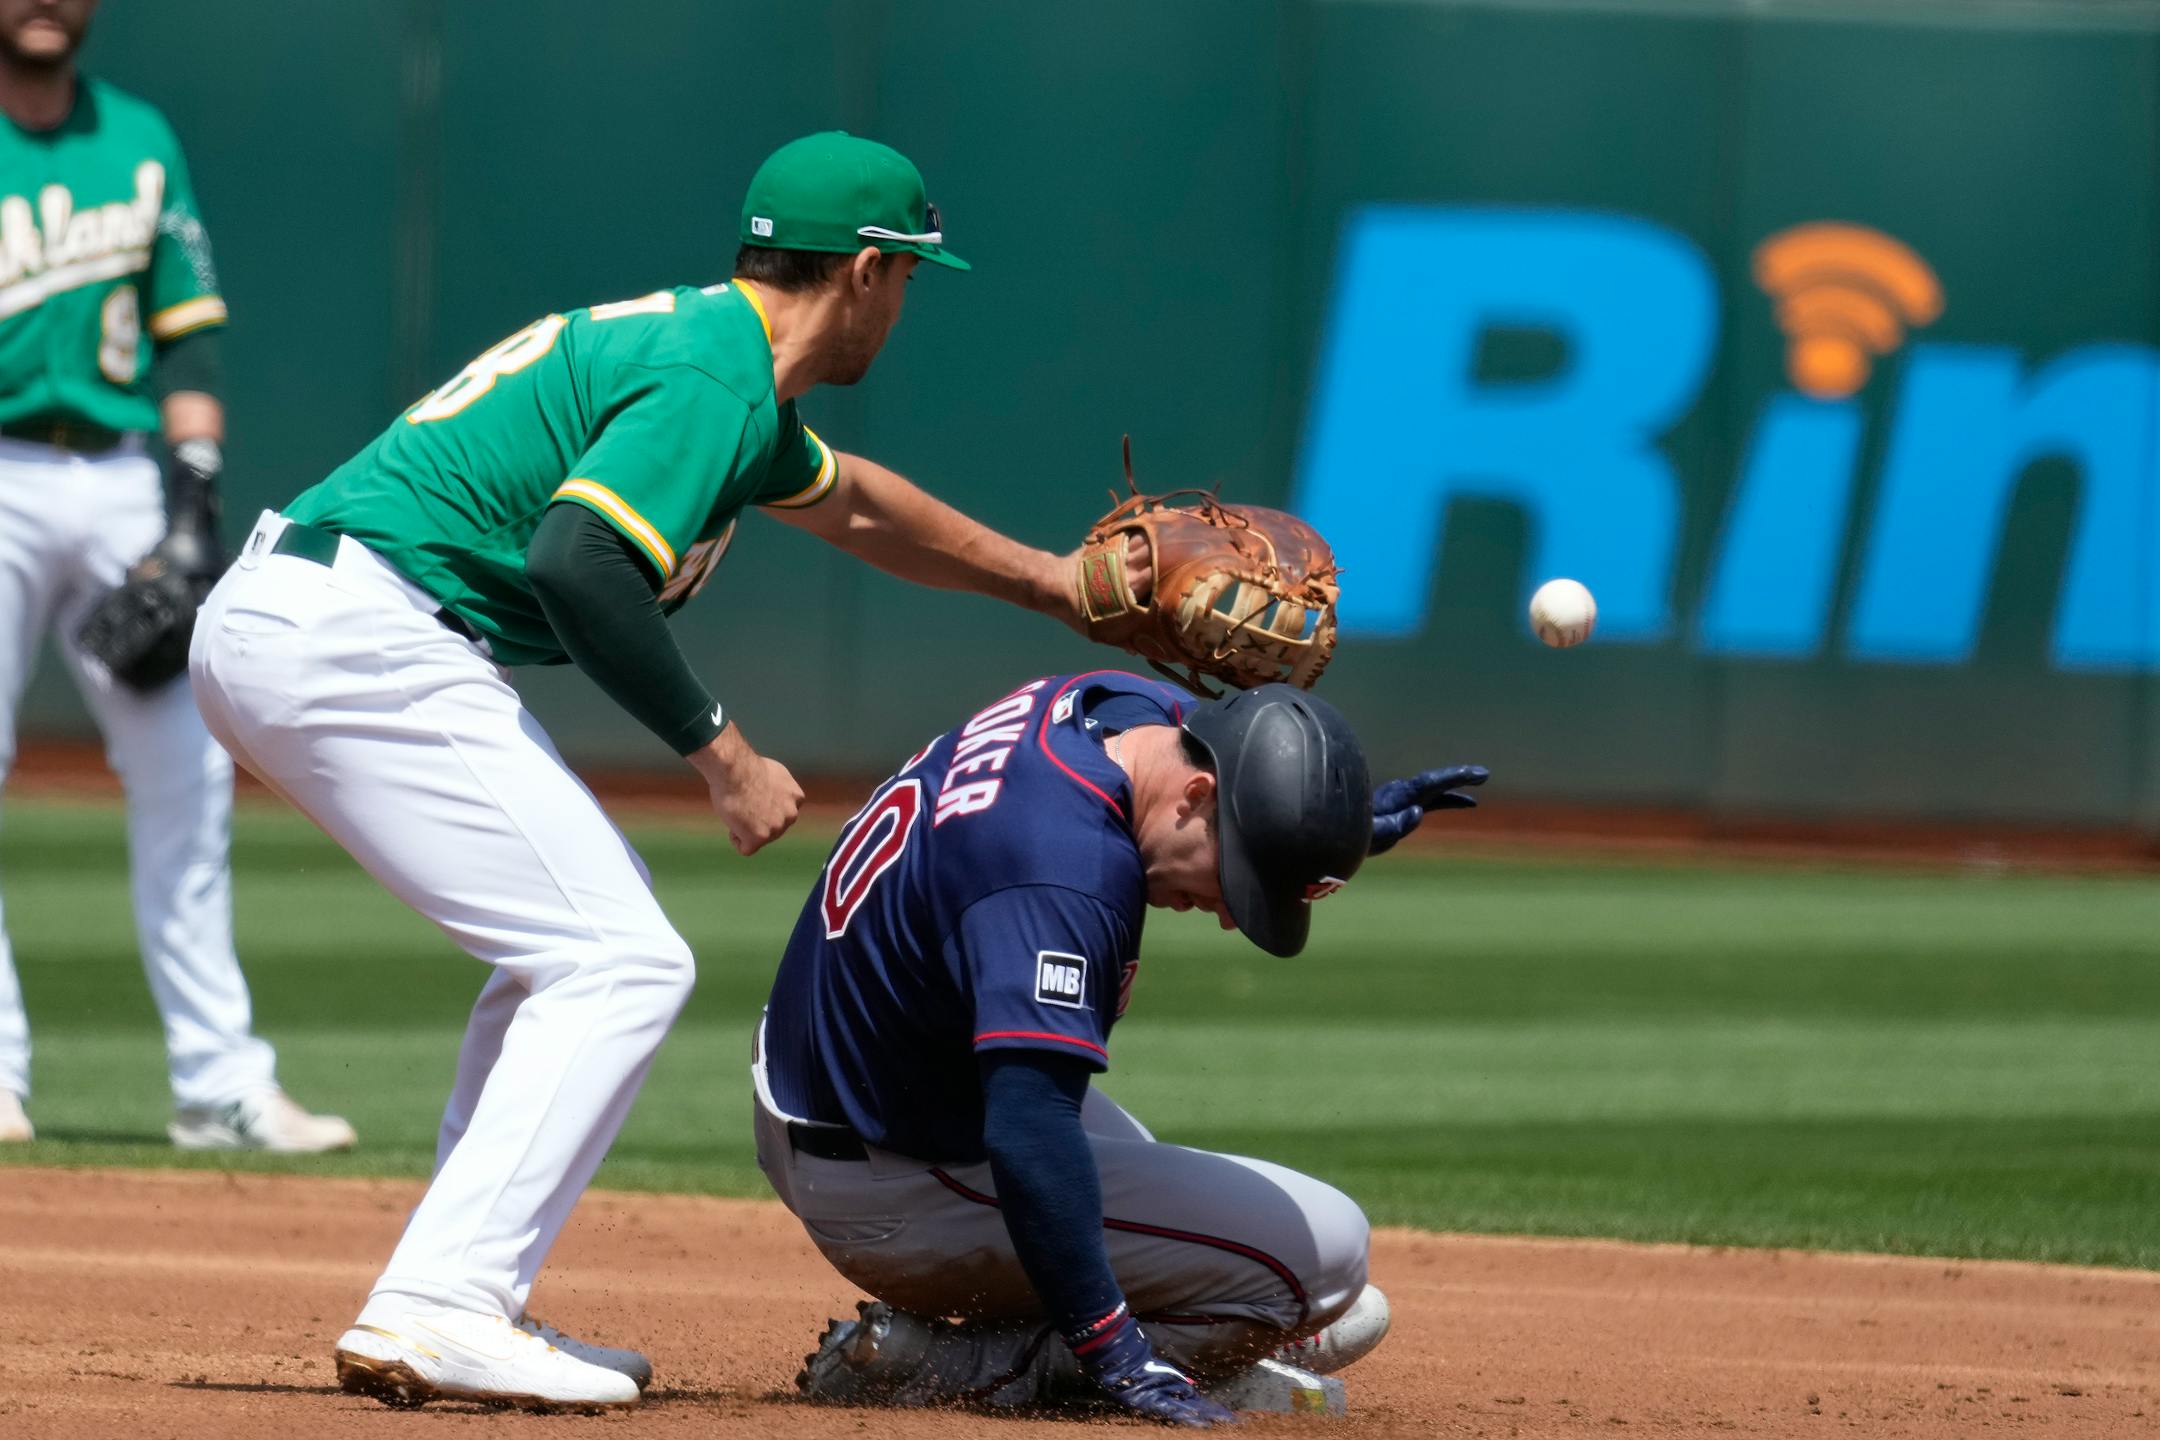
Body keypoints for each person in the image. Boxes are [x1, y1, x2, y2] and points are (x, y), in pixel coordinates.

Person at [189, 131, 1153, 1412]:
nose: (908, 301)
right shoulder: (716, 377)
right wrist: (727, 755)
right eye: (910, 274)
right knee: (621, 958)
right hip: (356, 631)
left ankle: (460, 1286)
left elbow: (856, 503)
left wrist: (1054, 586)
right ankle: (444, 1302)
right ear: (866, 269)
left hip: (318, 617)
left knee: (564, 953)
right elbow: (578, 558)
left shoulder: (725, 367)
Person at [759, 669, 1487, 1423]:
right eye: (1238, 877)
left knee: (1301, 1289)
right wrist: (1113, 1352)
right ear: (1198, 796)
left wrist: (1314, 834)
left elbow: (1224, 757)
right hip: (897, 1172)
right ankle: (959, 1365)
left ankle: (1101, 1331)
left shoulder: (1113, 708)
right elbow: (1029, 1132)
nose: (1230, 916)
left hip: (855, 1077)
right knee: (1322, 1262)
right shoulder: (1063, 873)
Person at [0, 0, 351, 1151]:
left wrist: (192, 506)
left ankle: (219, 1084)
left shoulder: (139, 137)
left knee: (188, 777)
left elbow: (186, 338)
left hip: (118, 477)